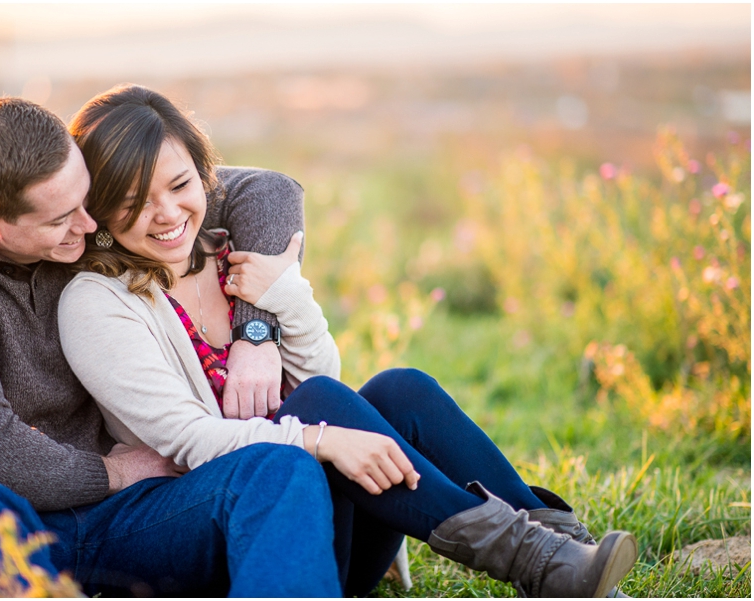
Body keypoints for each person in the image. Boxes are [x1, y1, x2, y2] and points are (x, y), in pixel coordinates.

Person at [59, 83, 639, 598]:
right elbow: (188, 440)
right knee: (318, 410)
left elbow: (322, 376)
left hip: (332, 518)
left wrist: (283, 293)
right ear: (101, 213)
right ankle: (539, 563)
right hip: (257, 536)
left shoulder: (229, 250)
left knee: (401, 390)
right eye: (134, 204)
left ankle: (560, 548)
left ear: (203, 171)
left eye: (180, 184)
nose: (166, 214)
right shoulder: (97, 302)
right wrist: (320, 440)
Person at [0, 96, 343, 597]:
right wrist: (114, 471)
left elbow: (267, 190)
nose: (91, 224)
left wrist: (256, 333)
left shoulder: (77, 214)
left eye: (87, 199)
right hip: (7, 524)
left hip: (129, 515)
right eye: (61, 219)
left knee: (274, 471)